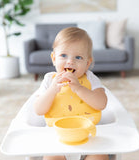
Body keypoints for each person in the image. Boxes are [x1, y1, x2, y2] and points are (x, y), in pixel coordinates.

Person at [34, 27, 109, 160]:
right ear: (54, 58)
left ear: (87, 63)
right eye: (63, 55)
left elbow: (101, 103)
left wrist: (79, 88)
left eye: (78, 57)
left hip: (88, 138)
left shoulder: (91, 79)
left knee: (100, 156)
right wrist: (52, 90)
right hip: (56, 139)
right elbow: (39, 110)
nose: (70, 61)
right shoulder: (49, 80)